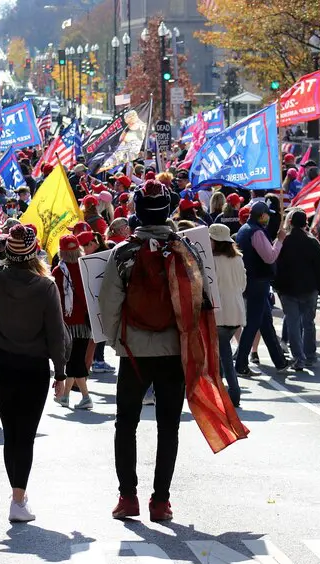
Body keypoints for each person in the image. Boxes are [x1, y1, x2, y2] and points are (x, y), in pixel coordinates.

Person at [98, 180, 192, 522]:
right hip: (172, 351)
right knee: (169, 427)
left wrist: (116, 341)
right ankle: (161, 501)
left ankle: (128, 497)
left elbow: (109, 303)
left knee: (126, 424)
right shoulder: (184, 249)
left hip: (134, 351)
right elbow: (199, 301)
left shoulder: (124, 251)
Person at [0, 224, 70, 523]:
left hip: (3, 364)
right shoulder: (45, 286)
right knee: (24, 436)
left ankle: (17, 497)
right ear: (34, 252)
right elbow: (56, 332)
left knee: (12, 434)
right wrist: (61, 371)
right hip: (35, 368)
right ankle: (19, 497)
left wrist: (4, 242)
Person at [234, 201, 289, 376]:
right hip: (258, 282)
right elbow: (269, 256)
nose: (269, 217)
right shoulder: (256, 232)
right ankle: (241, 363)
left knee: (265, 323)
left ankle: (279, 361)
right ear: (262, 215)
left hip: (253, 281)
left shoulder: (245, 229)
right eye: (268, 214)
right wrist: (279, 241)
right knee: (253, 324)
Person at [274, 208, 320, 370]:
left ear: (290, 223)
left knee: (293, 323)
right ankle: (310, 355)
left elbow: (275, 264)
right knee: (308, 323)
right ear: (306, 223)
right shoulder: (312, 242)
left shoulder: (283, 242)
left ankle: (298, 358)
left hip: (288, 289)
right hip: (308, 289)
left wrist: (276, 285)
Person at [52, 235, 93, 410]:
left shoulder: (58, 271)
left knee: (73, 361)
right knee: (75, 359)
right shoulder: (86, 267)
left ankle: (85, 396)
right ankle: (66, 396)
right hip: (84, 321)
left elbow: (56, 299)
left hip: (67, 322)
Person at [209, 223, 246, 407]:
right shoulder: (238, 259)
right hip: (236, 311)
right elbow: (243, 284)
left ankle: (233, 392)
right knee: (222, 353)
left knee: (222, 355)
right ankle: (227, 391)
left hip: (219, 312)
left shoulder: (212, 261)